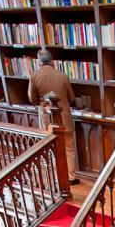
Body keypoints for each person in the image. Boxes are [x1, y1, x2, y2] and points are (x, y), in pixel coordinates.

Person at [28, 49, 80, 185]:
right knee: (68, 148)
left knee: (52, 149)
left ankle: (58, 177)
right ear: (52, 61)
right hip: (65, 118)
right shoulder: (62, 75)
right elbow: (71, 98)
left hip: (48, 119)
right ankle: (71, 177)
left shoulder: (34, 76)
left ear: (39, 61)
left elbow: (32, 99)